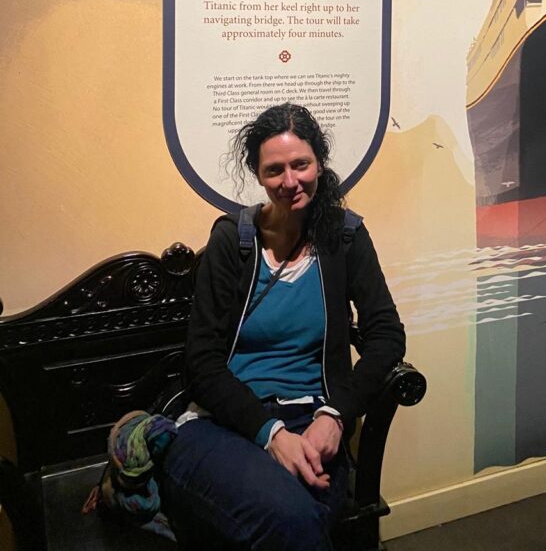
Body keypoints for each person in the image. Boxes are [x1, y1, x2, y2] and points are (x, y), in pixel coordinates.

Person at [160, 103, 405, 551]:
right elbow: (202, 362)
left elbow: (387, 335)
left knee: (294, 519)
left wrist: (336, 415)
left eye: (300, 165)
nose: (290, 181)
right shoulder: (233, 241)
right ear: (257, 174)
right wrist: (269, 434)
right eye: (274, 170)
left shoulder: (345, 239)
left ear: (319, 163)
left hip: (313, 423)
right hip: (225, 423)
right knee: (292, 520)